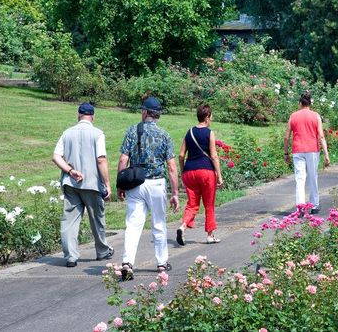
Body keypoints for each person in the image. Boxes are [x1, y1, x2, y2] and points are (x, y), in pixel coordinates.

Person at [117, 97, 179, 280]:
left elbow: (123, 159)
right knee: (159, 223)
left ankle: (128, 262)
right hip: (156, 184)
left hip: (136, 183)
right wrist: (175, 193)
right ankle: (161, 263)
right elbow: (172, 167)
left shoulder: (132, 131)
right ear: (158, 114)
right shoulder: (164, 135)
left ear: (145, 112)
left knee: (133, 224)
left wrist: (121, 184)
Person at [52, 102, 114, 268]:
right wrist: (107, 184)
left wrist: (70, 170)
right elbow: (101, 159)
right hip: (92, 183)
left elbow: (56, 156)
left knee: (69, 220)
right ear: (92, 116)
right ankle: (102, 251)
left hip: (71, 183)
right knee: (97, 219)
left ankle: (71, 256)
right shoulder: (97, 133)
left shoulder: (67, 133)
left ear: (78, 114)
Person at [176, 104, 224, 245]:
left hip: (189, 172)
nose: (212, 118)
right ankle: (210, 235)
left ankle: (182, 226)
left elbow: (180, 155)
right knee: (209, 204)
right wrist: (219, 176)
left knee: (192, 204)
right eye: (211, 116)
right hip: (206, 172)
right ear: (207, 117)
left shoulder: (189, 132)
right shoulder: (209, 133)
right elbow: (214, 156)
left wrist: (183, 170)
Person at [284, 91, 330, 215]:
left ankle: (300, 208)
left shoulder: (293, 116)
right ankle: (314, 206)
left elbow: (286, 137)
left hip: (298, 150)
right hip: (312, 150)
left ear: (300, 103)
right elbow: (321, 136)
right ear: (310, 103)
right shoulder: (316, 116)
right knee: (312, 177)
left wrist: (286, 153)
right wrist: (326, 154)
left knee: (300, 179)